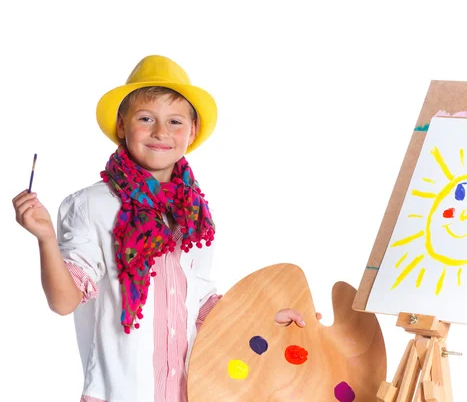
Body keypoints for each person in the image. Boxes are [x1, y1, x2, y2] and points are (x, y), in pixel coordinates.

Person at [12, 55, 310, 402]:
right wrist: (46, 239)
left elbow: (200, 304)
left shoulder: (195, 213)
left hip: (190, 392)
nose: (161, 132)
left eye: (175, 121)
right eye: (145, 118)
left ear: (192, 131)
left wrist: (265, 318)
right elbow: (64, 302)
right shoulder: (92, 205)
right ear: (122, 126)